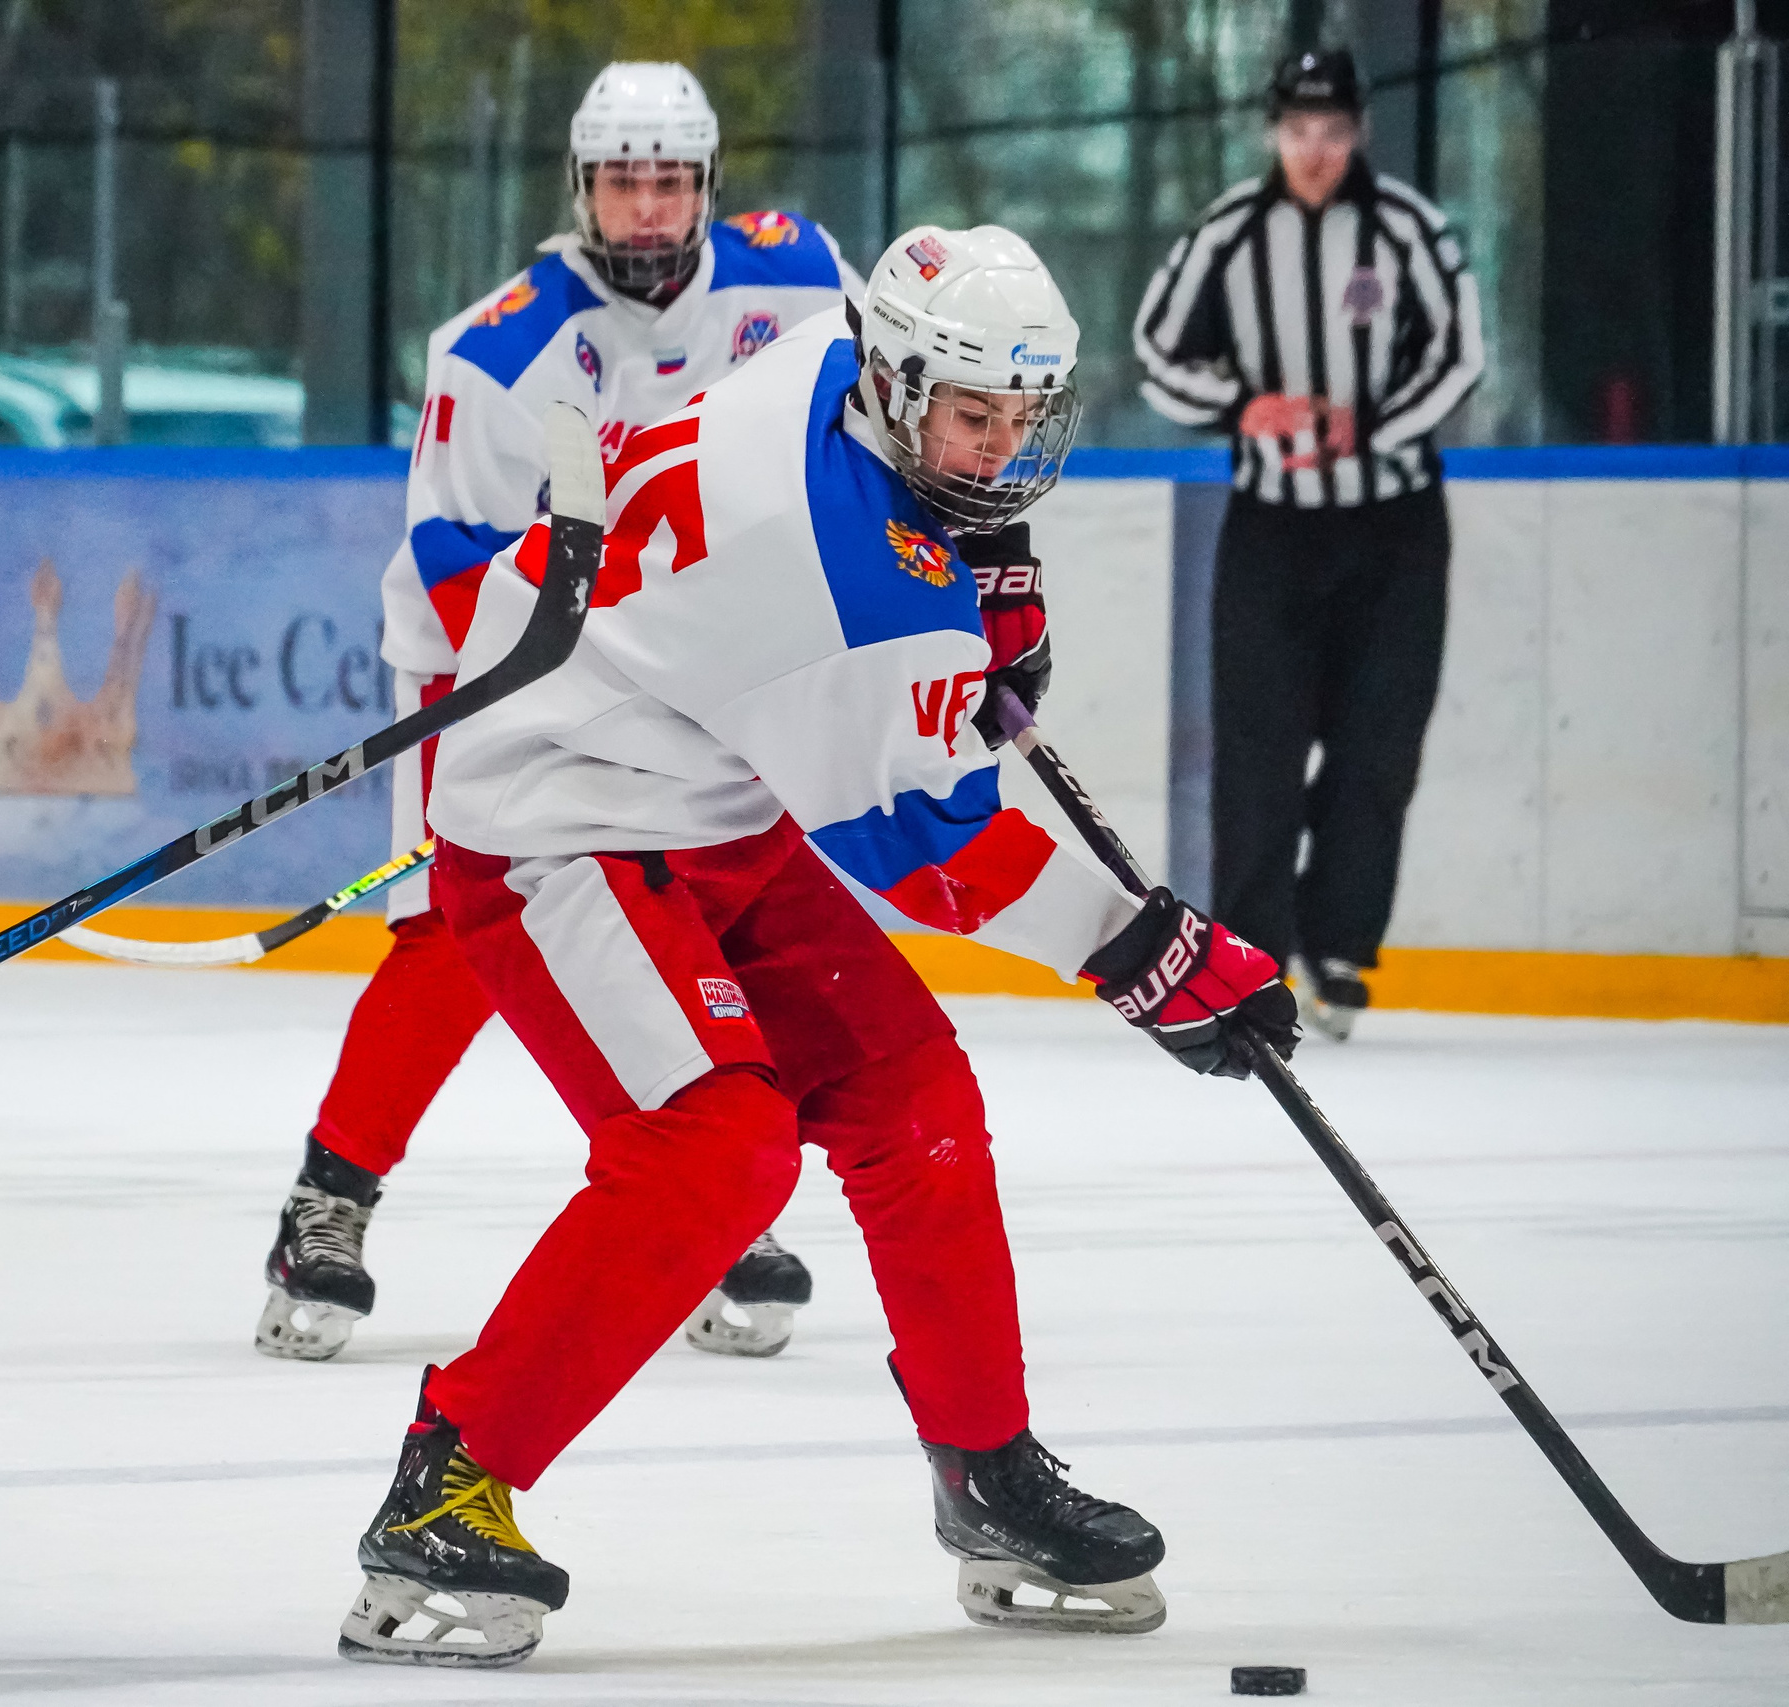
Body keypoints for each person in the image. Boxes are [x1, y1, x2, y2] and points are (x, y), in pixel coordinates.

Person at [331, 226, 1300, 1668]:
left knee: (914, 1098)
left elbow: (911, 580)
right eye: (974, 417)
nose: (1002, 449)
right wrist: (1148, 954)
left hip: (695, 785)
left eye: (1024, 416)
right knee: (714, 1150)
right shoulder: (849, 583)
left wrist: (983, 575)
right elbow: (935, 855)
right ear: (898, 385)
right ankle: (444, 1488)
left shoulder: (820, 364)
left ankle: (987, 1470)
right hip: (556, 824)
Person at [259, 61, 862, 1363]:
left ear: (708, 184)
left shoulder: (804, 283)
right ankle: (326, 1203)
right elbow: (452, 561)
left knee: (695, 904)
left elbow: (862, 445)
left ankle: (711, 1192)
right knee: (456, 939)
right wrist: (617, 648)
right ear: (581, 187)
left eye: (671, 180)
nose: (647, 207)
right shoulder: (500, 347)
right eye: (622, 180)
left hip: (689, 668)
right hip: (489, 665)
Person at [1133, 46, 1484, 1041]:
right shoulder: (1229, 232)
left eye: (1332, 132)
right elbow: (1156, 349)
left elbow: (1461, 355)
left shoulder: (1408, 229)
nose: (1315, 151)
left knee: (1378, 745)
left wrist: (1366, 428)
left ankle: (1338, 943)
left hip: (1394, 530)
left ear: (1358, 131)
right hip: (1271, 530)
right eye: (1297, 132)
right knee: (1257, 751)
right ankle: (1252, 956)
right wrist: (1243, 407)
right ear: (1273, 133)